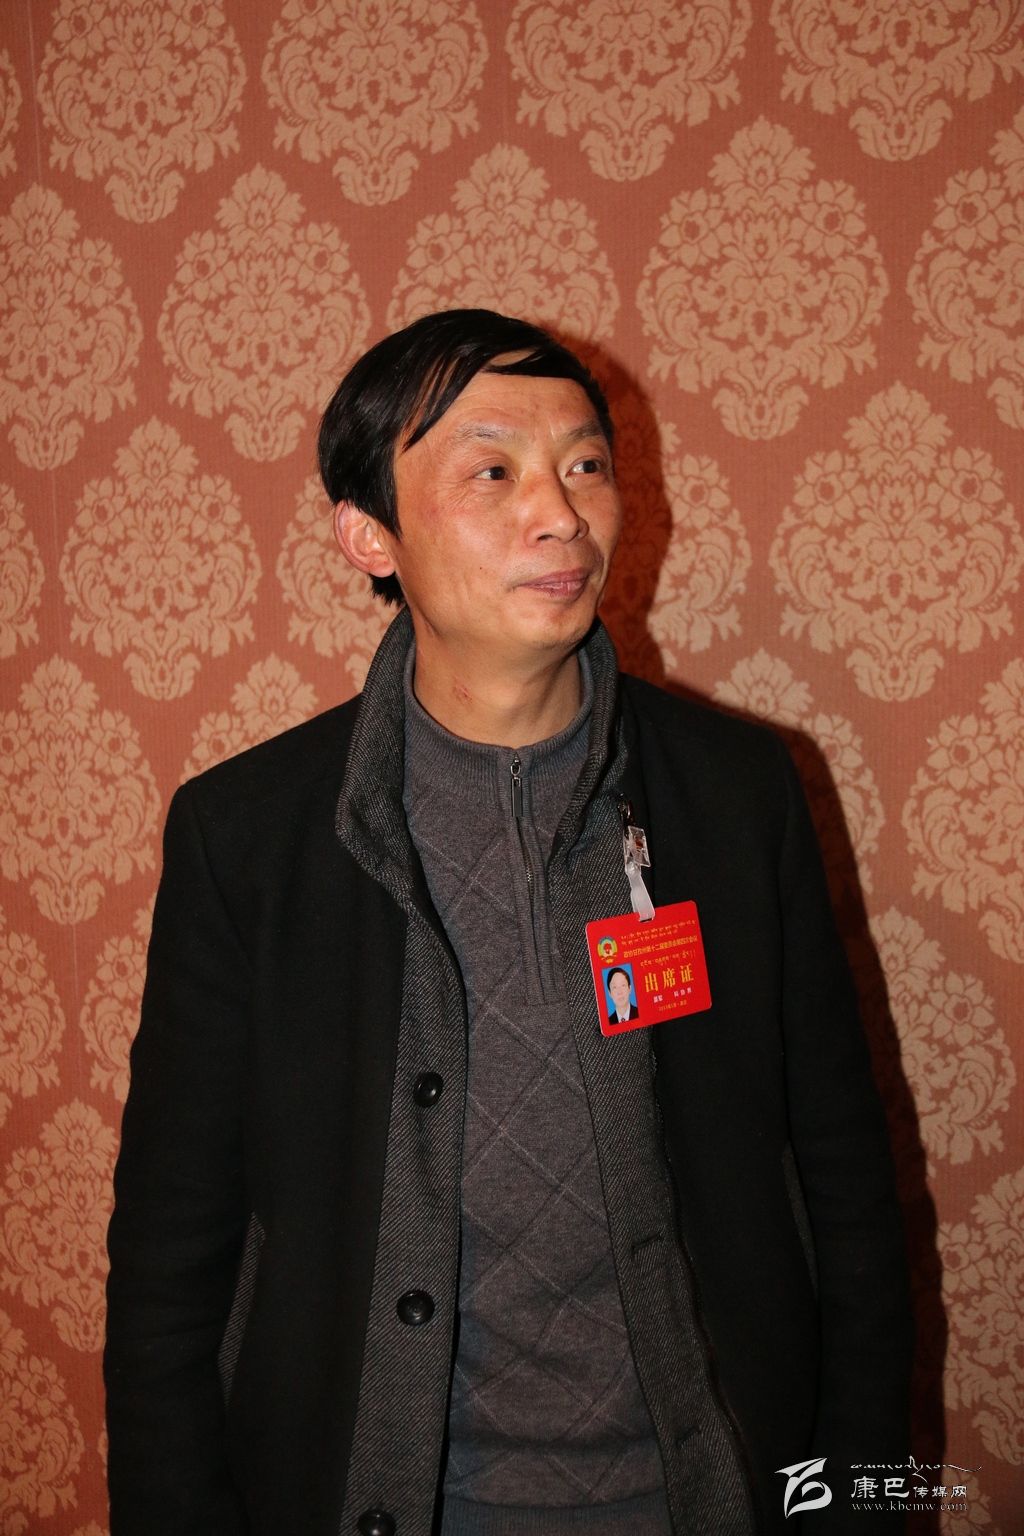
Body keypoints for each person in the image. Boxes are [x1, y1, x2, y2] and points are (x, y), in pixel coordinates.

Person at [105, 310, 912, 1536]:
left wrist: (853, 1501)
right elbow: (173, 1255)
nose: (562, 515)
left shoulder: (735, 794)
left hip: (709, 1495)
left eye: (584, 464)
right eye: (493, 472)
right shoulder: (249, 838)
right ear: (367, 534)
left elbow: (845, 1190)